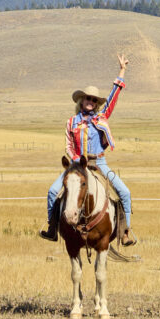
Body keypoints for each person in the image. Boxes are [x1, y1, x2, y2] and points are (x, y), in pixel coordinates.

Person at [40, 55, 136, 245]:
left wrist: (122, 70)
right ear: (81, 101)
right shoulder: (71, 122)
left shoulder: (101, 117)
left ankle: (125, 232)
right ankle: (52, 228)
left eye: (93, 99)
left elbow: (113, 97)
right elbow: (68, 144)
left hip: (99, 162)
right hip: (77, 165)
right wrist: (76, 158)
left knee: (124, 193)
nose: (90, 101)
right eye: (87, 98)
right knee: (52, 192)